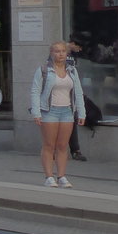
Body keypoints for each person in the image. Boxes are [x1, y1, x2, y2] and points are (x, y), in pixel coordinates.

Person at [29, 41, 86, 187]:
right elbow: (35, 91)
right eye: (56, 51)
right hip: (49, 111)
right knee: (49, 145)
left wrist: (81, 113)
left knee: (62, 145)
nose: (60, 54)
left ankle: (61, 176)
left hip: (67, 111)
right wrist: (36, 112)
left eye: (62, 51)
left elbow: (78, 92)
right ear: (51, 53)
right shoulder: (44, 70)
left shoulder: (72, 70)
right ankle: (49, 177)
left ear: (66, 53)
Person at [66, 34, 88, 161]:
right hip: (59, 96)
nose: (80, 50)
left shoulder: (73, 56)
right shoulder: (60, 52)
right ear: (73, 44)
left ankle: (75, 150)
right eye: (79, 47)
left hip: (71, 94)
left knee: (72, 122)